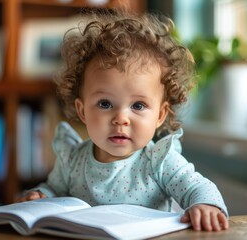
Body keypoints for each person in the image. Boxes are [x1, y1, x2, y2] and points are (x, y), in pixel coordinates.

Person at [16, 9, 229, 232]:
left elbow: (197, 187)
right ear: (82, 110)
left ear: (160, 115)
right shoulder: (72, 160)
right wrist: (40, 196)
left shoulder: (159, 162)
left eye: (138, 106)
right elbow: (54, 190)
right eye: (105, 104)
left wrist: (204, 204)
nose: (121, 119)